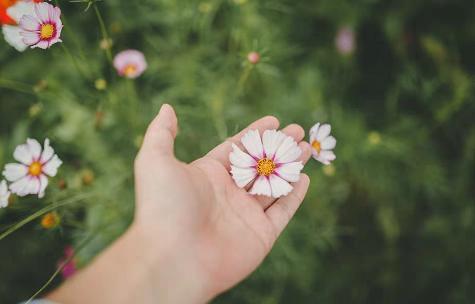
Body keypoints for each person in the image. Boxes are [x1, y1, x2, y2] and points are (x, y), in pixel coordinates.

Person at [45, 104, 312, 303]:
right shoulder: (252, 168)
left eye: (267, 164)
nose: (266, 165)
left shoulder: (271, 171)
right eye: (265, 163)